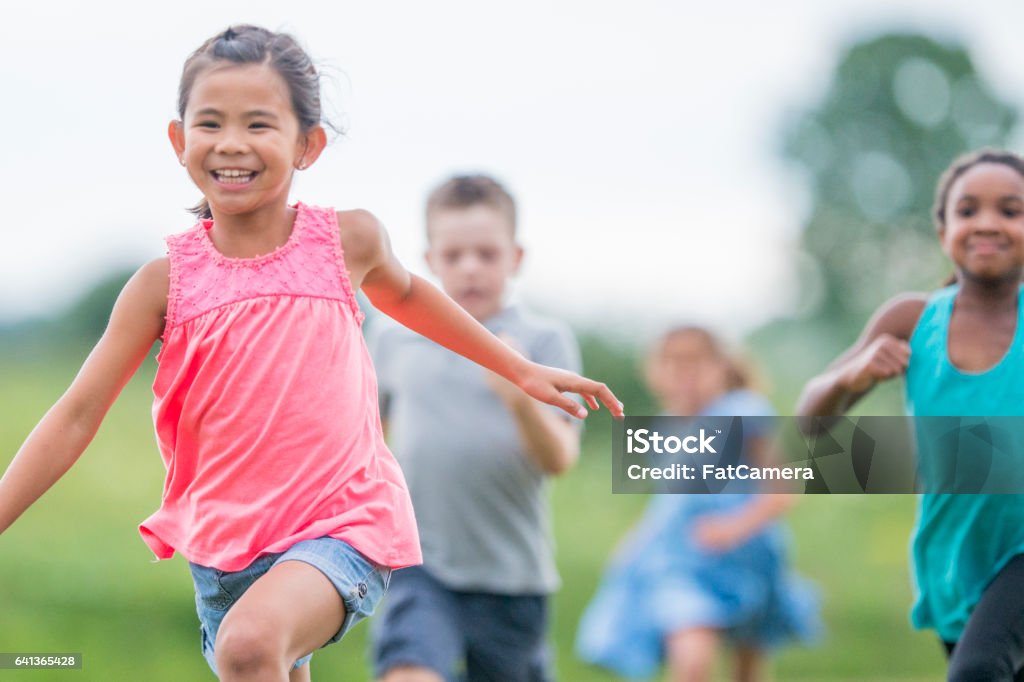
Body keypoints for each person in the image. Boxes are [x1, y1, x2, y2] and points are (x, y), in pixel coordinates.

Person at [0, 26, 621, 682]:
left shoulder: (345, 241)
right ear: (180, 141)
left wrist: (518, 368)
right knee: (262, 656)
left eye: (259, 124)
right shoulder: (162, 284)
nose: (232, 142)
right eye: (210, 122)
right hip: (225, 550)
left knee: (248, 648)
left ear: (308, 145)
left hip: (344, 520)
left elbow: (412, 298)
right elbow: (76, 414)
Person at [797, 148, 1024, 681]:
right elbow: (812, 423)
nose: (987, 223)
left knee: (976, 672)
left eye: (1010, 210)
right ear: (943, 229)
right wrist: (847, 380)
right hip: (953, 558)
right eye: (968, 210)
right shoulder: (911, 319)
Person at [367, 174, 582, 682]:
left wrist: (520, 398)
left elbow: (560, 459)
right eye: (454, 254)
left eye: (486, 254)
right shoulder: (395, 338)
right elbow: (366, 435)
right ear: (429, 260)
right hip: (419, 563)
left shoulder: (545, 341)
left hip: (512, 576)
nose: (470, 268)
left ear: (516, 257)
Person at [576, 326, 819, 682]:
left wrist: (735, 527)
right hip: (684, 562)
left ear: (721, 366)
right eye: (671, 363)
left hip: (746, 558)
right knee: (691, 656)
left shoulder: (744, 411)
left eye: (695, 362)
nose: (683, 373)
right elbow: (671, 502)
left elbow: (783, 488)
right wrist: (635, 542)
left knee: (748, 665)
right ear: (653, 372)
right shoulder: (664, 428)